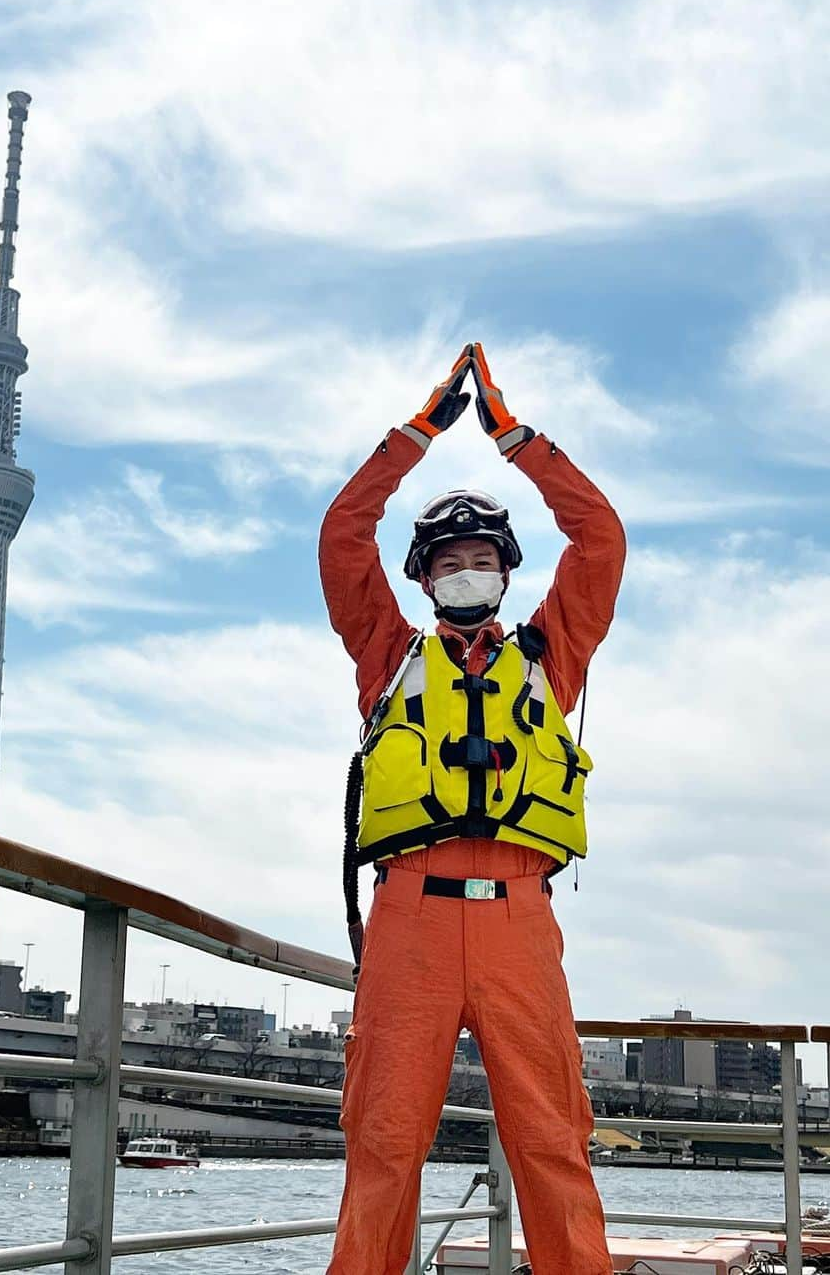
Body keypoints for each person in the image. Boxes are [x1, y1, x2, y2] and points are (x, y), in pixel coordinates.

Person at [318, 343, 625, 1275]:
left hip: (521, 922)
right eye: (448, 561)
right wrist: (414, 436)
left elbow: (600, 538)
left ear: (505, 572)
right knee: (381, 1146)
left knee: (552, 1145)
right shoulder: (387, 655)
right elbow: (343, 534)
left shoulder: (552, 658)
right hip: (409, 913)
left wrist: (512, 436)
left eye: (481, 559)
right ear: (422, 577)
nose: (465, 572)